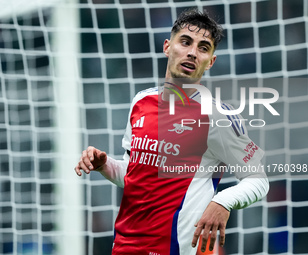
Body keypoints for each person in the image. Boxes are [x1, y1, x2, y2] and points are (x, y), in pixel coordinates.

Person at [75, 8, 269, 255]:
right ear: (167, 47)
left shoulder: (217, 116)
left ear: (210, 61)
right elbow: (133, 176)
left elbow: (259, 181)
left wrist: (223, 202)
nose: (192, 52)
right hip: (124, 247)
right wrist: (105, 165)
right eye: (185, 42)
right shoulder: (140, 102)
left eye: (203, 47)